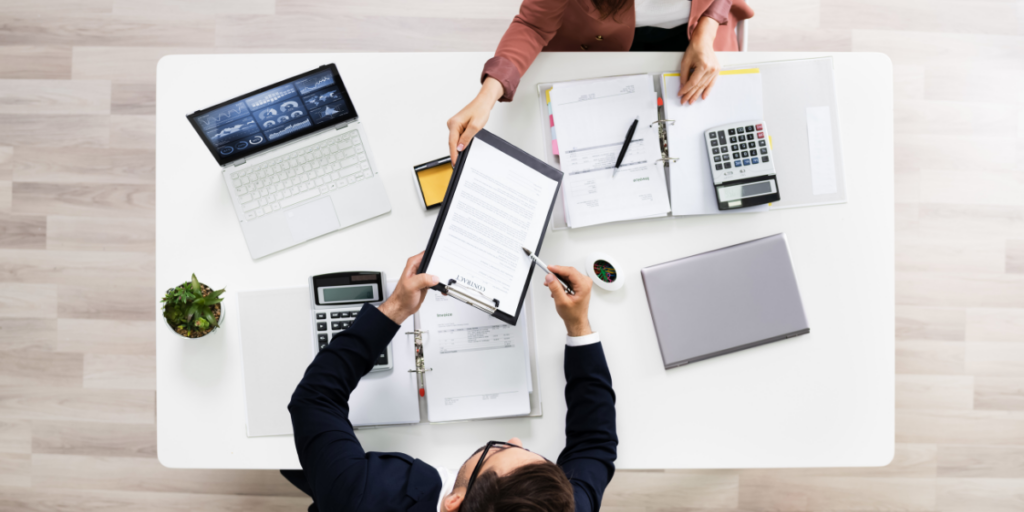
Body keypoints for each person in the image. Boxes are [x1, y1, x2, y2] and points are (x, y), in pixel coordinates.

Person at [284, 252, 617, 512]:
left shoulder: (360, 497)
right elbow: (593, 445)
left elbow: (315, 399)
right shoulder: (556, 506)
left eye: (497, 450)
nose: (514, 439)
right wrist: (579, 326)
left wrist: (397, 307)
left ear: (454, 501)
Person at [447, 0, 754, 164]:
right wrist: (487, 95)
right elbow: (532, 25)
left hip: (697, 40)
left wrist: (707, 27)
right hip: (598, 46)